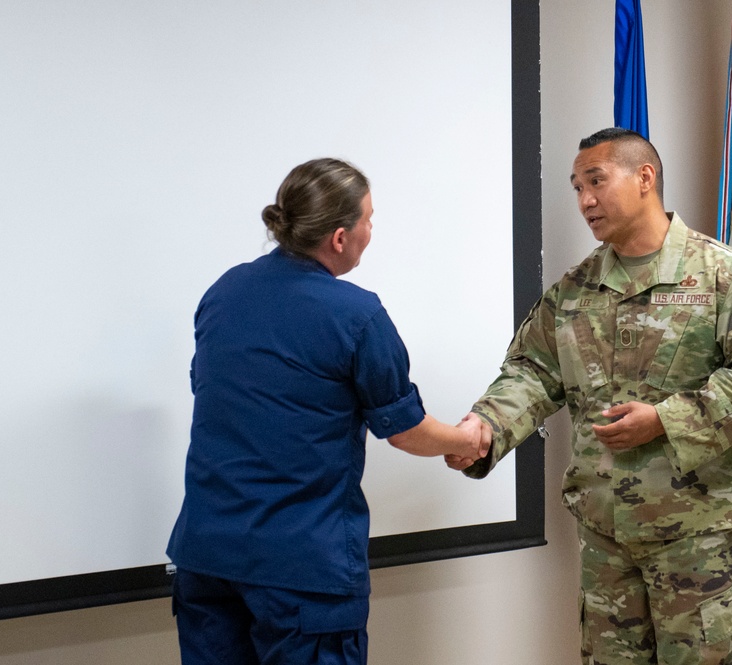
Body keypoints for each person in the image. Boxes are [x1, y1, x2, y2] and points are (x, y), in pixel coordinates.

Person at [449, 128, 732, 665]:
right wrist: (486, 427)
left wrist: (665, 419)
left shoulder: (724, 275)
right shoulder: (574, 290)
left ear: (645, 178)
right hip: (607, 535)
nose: (585, 200)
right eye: (577, 187)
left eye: (596, 181)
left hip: (695, 534)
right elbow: (533, 372)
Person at [166, 157, 489, 665]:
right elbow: (405, 431)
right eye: (368, 220)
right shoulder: (357, 315)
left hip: (207, 558)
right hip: (300, 573)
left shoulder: (224, 292)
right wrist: (467, 439)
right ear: (340, 237)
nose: (370, 230)